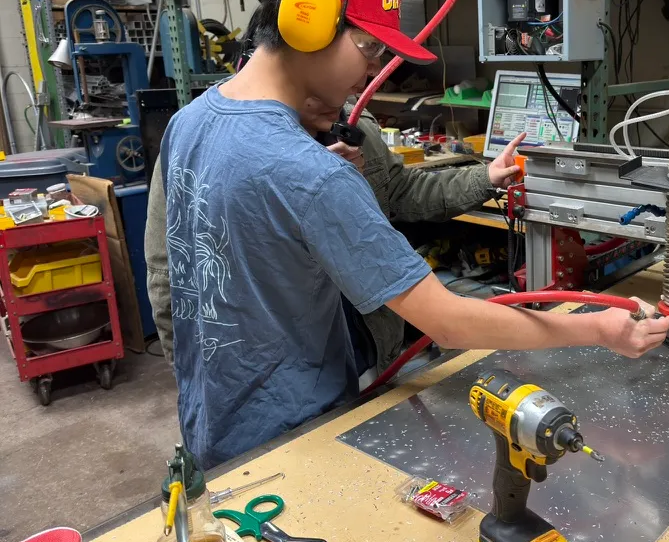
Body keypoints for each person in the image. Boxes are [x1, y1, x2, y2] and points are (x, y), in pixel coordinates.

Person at [157, 0, 669, 468]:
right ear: (308, 22)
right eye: (371, 48)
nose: (372, 72)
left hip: (210, 424)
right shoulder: (311, 173)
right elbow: (446, 322)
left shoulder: (188, 122)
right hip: (292, 442)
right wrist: (596, 329)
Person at [145, 104, 525, 383]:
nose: (371, 72)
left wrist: (485, 178)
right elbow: (169, 271)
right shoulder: (205, 136)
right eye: (364, 49)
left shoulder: (354, 118)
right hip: (281, 372)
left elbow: (401, 191)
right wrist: (189, 376)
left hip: (366, 348)